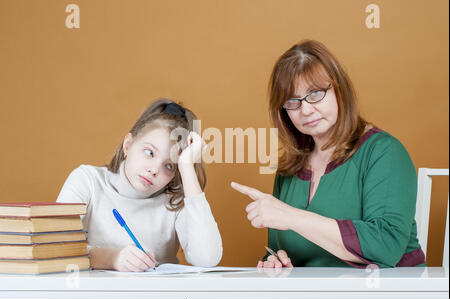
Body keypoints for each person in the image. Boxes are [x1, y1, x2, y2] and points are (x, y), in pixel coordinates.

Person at [231, 40, 425, 268]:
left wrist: (292, 216)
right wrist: (276, 263)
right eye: (292, 101)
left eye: (315, 94)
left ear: (339, 90)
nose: (305, 109)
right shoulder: (289, 170)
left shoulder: (384, 152)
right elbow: (280, 250)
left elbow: (385, 246)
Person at [57, 98, 222, 272]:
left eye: (169, 165)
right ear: (128, 145)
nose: (154, 170)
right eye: (149, 152)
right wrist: (111, 259)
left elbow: (207, 258)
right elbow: (55, 245)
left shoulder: (175, 202)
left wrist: (187, 167)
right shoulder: (87, 181)